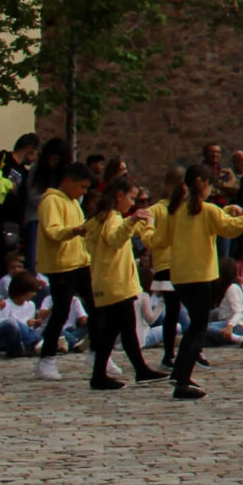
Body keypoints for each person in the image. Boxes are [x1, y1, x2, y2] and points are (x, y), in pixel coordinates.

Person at [158, 165, 243, 399]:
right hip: (201, 275)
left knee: (195, 325)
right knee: (198, 328)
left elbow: (160, 239)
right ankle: (182, 380)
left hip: (180, 275)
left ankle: (180, 371)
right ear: (203, 183)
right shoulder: (207, 210)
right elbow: (231, 228)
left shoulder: (176, 211)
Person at [82, 179, 164, 388]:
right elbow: (115, 239)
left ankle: (112, 373)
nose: (133, 203)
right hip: (117, 283)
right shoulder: (113, 218)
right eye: (131, 198)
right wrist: (132, 221)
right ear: (119, 196)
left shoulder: (99, 219)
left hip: (108, 282)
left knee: (116, 330)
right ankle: (135, 370)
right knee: (123, 328)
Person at [31, 161, 96, 381]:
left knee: (96, 306)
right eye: (81, 187)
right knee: (61, 312)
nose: (83, 192)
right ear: (68, 181)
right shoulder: (51, 200)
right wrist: (74, 231)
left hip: (80, 263)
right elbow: (53, 231)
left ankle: (97, 352)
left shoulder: (74, 202)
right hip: (61, 266)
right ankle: (46, 359)